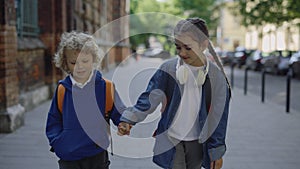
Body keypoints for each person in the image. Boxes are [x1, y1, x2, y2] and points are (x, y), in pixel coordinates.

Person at [118, 18, 231, 169]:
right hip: (171, 139)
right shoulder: (168, 69)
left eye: (187, 48)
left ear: (203, 45)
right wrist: (129, 119)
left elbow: (219, 119)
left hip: (198, 142)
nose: (182, 53)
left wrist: (217, 152)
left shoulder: (217, 78)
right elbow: (149, 99)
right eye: (178, 47)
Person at [45, 31, 125, 169]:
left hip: (97, 154)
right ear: (65, 62)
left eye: (85, 61)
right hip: (69, 156)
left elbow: (119, 112)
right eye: (73, 62)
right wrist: (59, 143)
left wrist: (124, 123)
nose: (79, 66)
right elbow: (53, 121)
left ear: (93, 59)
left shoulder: (106, 87)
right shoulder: (62, 90)